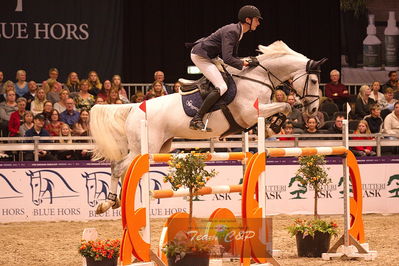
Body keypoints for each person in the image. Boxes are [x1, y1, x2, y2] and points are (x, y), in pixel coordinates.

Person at [188, 5, 262, 131]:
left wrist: (246, 60)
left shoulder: (238, 32)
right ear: (248, 20)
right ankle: (197, 119)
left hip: (211, 56)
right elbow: (228, 59)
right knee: (222, 87)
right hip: (201, 56)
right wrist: (246, 63)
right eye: (257, 19)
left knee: (228, 77)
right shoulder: (232, 31)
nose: (258, 23)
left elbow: (233, 56)